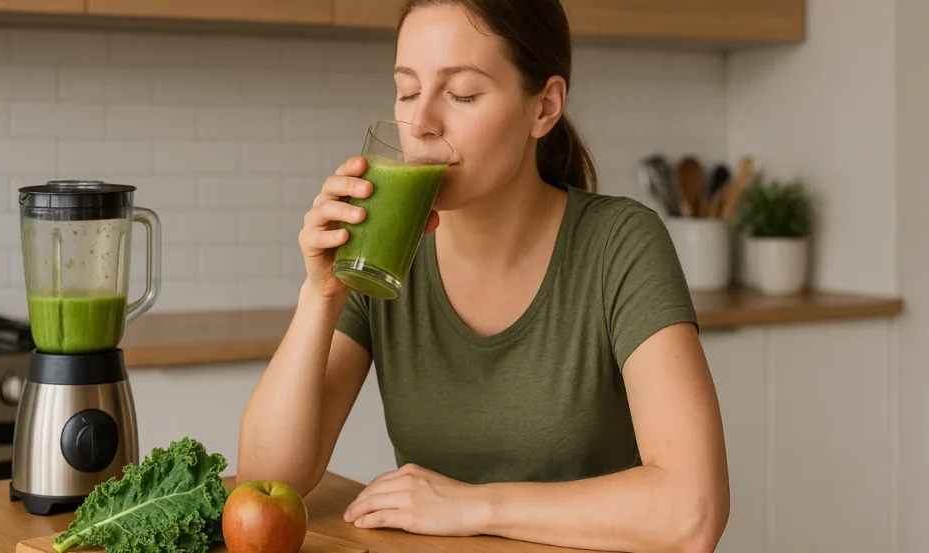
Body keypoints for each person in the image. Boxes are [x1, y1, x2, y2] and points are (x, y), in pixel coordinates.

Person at [237, 0, 730, 551]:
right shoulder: (386, 252)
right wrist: (319, 294)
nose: (421, 124)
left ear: (544, 108)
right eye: (406, 91)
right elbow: (268, 479)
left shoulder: (619, 243)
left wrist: (473, 504)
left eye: (461, 94)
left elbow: (693, 511)